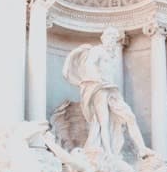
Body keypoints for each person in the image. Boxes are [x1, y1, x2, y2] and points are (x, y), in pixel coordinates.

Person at [62, 28, 150, 158]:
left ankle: (142, 149)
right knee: (104, 121)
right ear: (103, 38)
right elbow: (89, 65)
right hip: (100, 88)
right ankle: (109, 153)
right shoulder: (98, 50)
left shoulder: (111, 55)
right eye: (110, 38)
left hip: (111, 90)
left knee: (129, 116)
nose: (112, 42)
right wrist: (98, 80)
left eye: (114, 39)